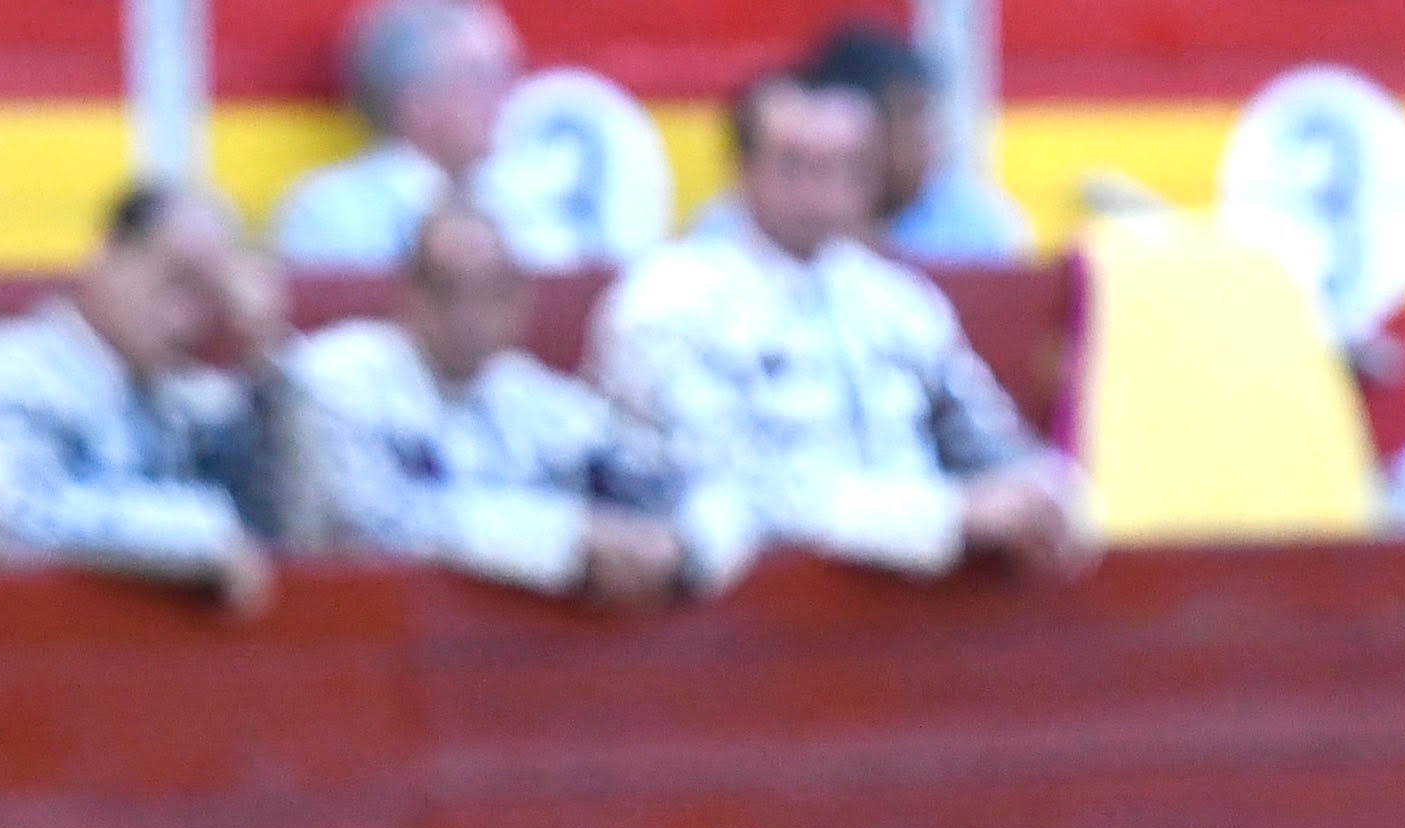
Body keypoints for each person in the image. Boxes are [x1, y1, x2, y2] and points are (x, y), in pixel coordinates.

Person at [590, 63, 1086, 579]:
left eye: (844, 167)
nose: (820, 191)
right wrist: (945, 517)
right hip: (756, 607)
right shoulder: (671, 298)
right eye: (794, 165)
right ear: (743, 168)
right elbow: (714, 488)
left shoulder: (896, 301)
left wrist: (1043, 492)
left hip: (924, 599)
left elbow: (988, 442)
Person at [0, 178, 298, 610]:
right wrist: (196, 536)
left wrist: (260, 354)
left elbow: (287, 523)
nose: (187, 320)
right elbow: (5, 520)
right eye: (176, 282)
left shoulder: (178, 401)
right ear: (107, 256)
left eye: (209, 298)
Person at [296, 196, 735, 602]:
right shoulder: (339, 379)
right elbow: (365, 524)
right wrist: (562, 541)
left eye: (493, 293)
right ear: (410, 293)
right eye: (448, 291)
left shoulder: (536, 400)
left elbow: (676, 481)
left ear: (520, 301)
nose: (470, 314)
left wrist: (683, 548)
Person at [268, 0, 514, 273]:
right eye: (480, 76)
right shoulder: (331, 213)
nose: (502, 95)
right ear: (415, 99)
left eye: (504, 75)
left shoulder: (527, 202)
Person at [795, 15, 1026, 263]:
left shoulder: (974, 223)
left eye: (926, 115)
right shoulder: (793, 213)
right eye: (909, 115)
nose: (927, 135)